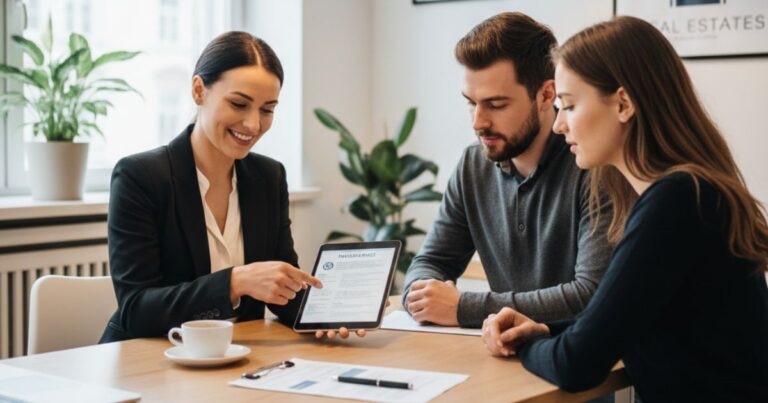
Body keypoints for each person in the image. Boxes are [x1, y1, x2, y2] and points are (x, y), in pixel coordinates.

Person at [482, 16, 768, 401]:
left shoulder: (676, 203)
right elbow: (622, 317)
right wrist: (543, 330)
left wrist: (524, 347)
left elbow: (577, 365)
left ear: (623, 104)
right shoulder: (691, 192)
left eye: (567, 105)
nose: (558, 126)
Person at [101, 32, 360, 342]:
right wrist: (235, 283)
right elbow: (136, 311)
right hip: (151, 361)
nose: (253, 125)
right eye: (239, 104)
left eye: (267, 110)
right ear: (199, 90)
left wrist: (330, 311)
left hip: (237, 359)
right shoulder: (141, 176)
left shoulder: (269, 177)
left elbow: (282, 290)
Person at [403, 12, 613, 328]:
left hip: (582, 359)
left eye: (496, 105)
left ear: (546, 94)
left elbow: (591, 295)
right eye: (471, 103)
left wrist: (464, 307)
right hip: (507, 352)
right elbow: (432, 262)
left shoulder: (593, 165)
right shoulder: (473, 165)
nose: (478, 122)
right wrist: (422, 295)